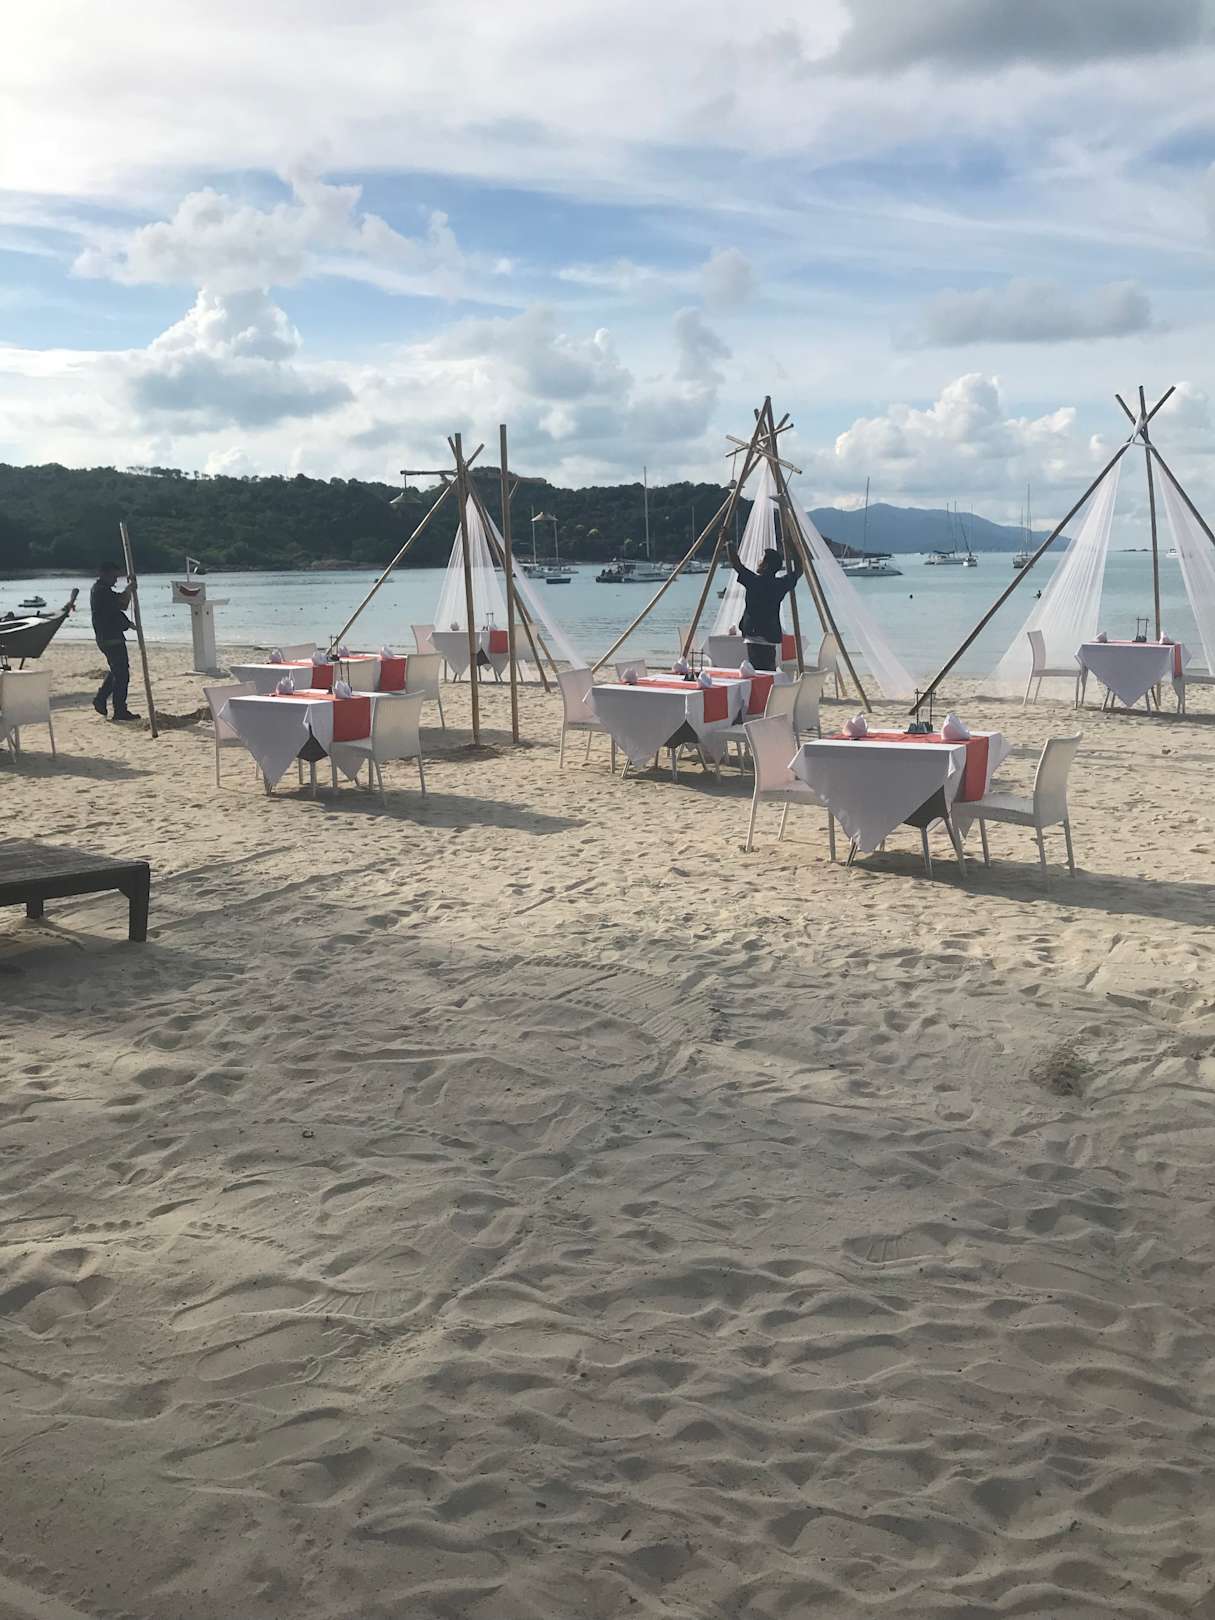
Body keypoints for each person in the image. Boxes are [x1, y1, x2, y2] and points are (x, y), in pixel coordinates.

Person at [726, 543, 801, 671]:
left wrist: (728, 543)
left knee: (759, 673)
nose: (758, 561)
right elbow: (799, 570)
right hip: (770, 637)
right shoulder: (780, 585)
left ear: (765, 565)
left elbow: (736, 564)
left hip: (754, 636)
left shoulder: (754, 581)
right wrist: (792, 546)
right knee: (768, 671)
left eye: (761, 559)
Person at [90, 562, 140, 721]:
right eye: (113, 576)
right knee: (122, 674)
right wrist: (129, 589)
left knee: (117, 670)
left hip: (107, 636)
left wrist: (128, 623)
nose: (115, 579)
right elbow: (121, 603)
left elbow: (115, 609)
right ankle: (119, 710)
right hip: (110, 637)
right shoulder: (101, 591)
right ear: (103, 574)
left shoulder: (101, 591)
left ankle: (101, 699)